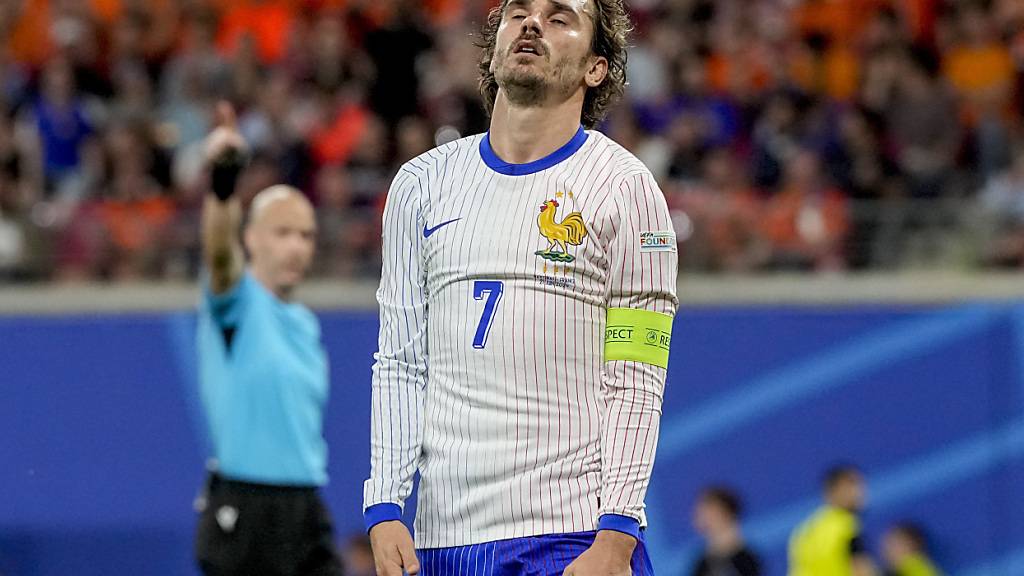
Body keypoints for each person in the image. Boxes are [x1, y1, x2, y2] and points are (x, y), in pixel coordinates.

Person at [362, 1, 679, 574]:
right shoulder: (420, 185)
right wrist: (384, 503)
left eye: (560, 18)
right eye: (518, 12)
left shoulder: (626, 190)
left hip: (571, 537)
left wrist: (617, 535)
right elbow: (401, 362)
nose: (532, 24)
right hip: (442, 542)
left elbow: (636, 379)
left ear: (596, 67)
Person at [192, 102, 343, 576]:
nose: (297, 246)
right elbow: (219, 253)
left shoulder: (305, 323)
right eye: (283, 233)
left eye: (306, 235)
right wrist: (223, 184)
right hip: (248, 508)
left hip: (306, 505)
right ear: (251, 238)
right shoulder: (236, 302)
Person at [789, 465, 877, 576]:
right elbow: (861, 570)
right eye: (852, 485)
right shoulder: (847, 527)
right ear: (833, 491)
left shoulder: (803, 532)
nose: (859, 492)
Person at [691, 487, 761, 576]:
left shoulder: (746, 560)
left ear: (726, 513)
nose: (705, 519)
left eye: (712, 513)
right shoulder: (701, 564)